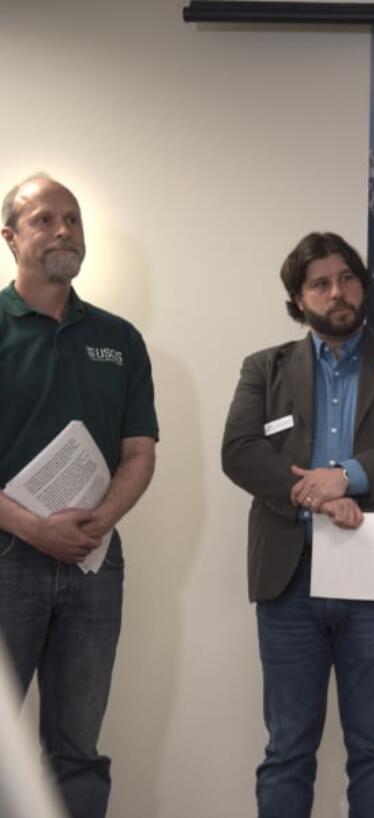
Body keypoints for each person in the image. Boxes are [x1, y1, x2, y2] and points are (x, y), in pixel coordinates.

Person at [220, 232, 374, 818]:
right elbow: (240, 451)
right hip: (290, 584)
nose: (338, 292)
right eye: (321, 283)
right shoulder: (265, 367)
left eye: (347, 278)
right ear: (299, 298)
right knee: (287, 753)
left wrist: (349, 477)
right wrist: (315, 494)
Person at [0, 174, 158, 818]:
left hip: (95, 568)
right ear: (11, 238)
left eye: (73, 219)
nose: (64, 230)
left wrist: (101, 520)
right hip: (7, 562)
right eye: (44, 220)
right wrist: (35, 530)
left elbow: (140, 452)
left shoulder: (120, 340)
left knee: (77, 752)